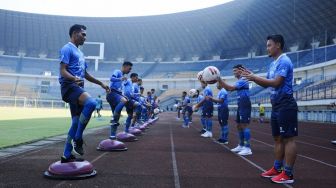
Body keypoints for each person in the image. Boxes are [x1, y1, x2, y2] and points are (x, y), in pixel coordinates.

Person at [240, 34, 297, 184]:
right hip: (276, 105)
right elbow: (266, 84)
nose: (267, 48)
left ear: (278, 45)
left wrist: (254, 78)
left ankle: (288, 173)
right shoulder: (273, 64)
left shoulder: (284, 61)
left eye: (269, 45)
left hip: (286, 104)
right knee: (278, 138)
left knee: (289, 139)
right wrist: (253, 77)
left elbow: (277, 82)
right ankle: (277, 169)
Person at [59, 24, 109, 163]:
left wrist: (101, 83)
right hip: (69, 87)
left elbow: (85, 74)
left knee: (75, 122)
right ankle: (78, 138)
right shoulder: (67, 48)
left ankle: (66, 155)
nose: (85, 37)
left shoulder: (81, 54)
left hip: (77, 88)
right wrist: (73, 78)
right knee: (92, 103)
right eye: (83, 34)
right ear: (75, 34)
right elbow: (62, 70)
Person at [217, 64, 252, 156]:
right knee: (239, 125)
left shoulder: (243, 79)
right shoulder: (240, 80)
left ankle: (247, 147)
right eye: (233, 71)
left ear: (240, 70)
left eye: (235, 71)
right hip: (241, 104)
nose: (234, 73)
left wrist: (219, 79)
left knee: (244, 125)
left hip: (244, 104)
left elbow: (230, 88)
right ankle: (241, 145)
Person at [106, 61, 133, 139]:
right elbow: (111, 78)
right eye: (129, 68)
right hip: (112, 93)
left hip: (117, 94)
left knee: (116, 117)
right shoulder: (117, 71)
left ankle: (112, 136)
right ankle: (114, 119)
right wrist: (120, 78)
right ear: (124, 66)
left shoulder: (123, 76)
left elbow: (120, 88)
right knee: (124, 101)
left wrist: (123, 95)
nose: (130, 70)